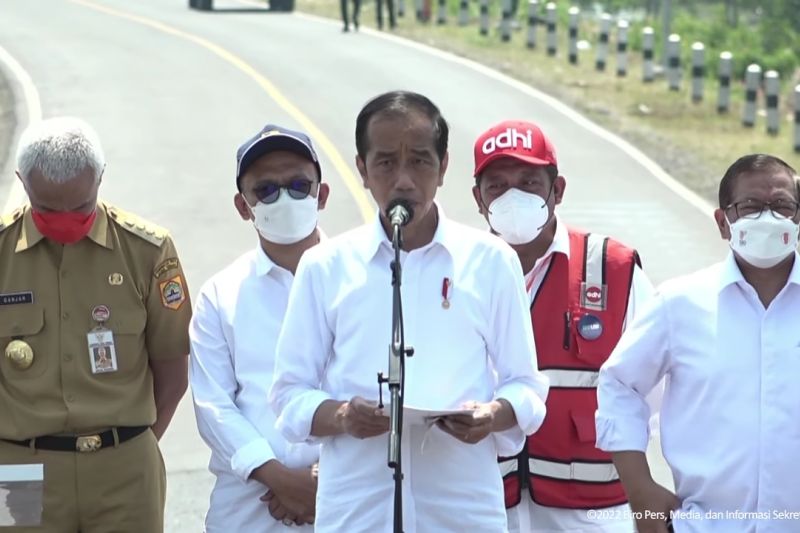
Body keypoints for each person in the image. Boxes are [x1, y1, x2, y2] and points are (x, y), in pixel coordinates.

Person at [270, 91, 550, 533]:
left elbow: (527, 386)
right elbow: (288, 395)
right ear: (361, 170)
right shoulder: (326, 266)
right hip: (358, 508)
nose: (403, 180)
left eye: (420, 161)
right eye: (385, 163)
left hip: (462, 507)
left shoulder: (490, 260)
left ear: (443, 168)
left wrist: (491, 416)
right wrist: (343, 416)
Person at [0, 117, 190, 532]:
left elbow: (173, 371)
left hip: (124, 468)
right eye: (48, 209)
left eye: (81, 207)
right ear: (22, 182)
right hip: (18, 467)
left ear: (101, 177)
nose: (66, 220)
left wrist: (126, 450)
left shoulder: (147, 251)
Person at [596, 154, 800, 533]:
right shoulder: (680, 303)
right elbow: (620, 385)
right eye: (751, 207)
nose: (768, 219)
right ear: (723, 222)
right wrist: (640, 492)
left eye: (782, 206)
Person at [471, 120, 655, 533]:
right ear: (478, 200)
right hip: (481, 501)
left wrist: (642, 488)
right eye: (496, 186)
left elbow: (658, 395)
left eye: (529, 182)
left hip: (590, 511)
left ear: (558, 190)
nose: (513, 196)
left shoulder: (613, 269)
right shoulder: (455, 270)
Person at [189, 124, 329, 532]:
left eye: (299, 185)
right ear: (242, 205)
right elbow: (213, 406)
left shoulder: (363, 279)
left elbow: (380, 389)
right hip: (251, 506)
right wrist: (280, 479)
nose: (284, 198)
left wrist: (327, 477)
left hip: (347, 496)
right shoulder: (221, 293)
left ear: (321, 194)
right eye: (266, 190)